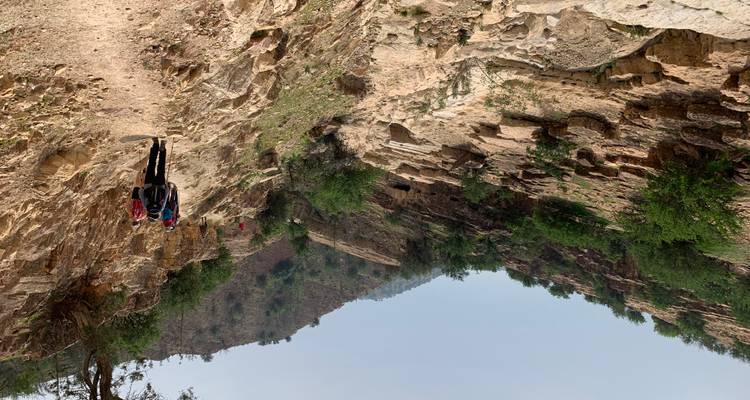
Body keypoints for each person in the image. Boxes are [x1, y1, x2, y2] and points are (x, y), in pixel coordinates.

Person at [139, 138, 171, 221]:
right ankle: (156, 144)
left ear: (158, 215)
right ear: (148, 214)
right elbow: (140, 192)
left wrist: (166, 186)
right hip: (148, 185)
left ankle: (163, 146)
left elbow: (166, 193)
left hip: (160, 185)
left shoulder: (161, 208)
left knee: (161, 167)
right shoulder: (146, 206)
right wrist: (143, 187)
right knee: (151, 164)